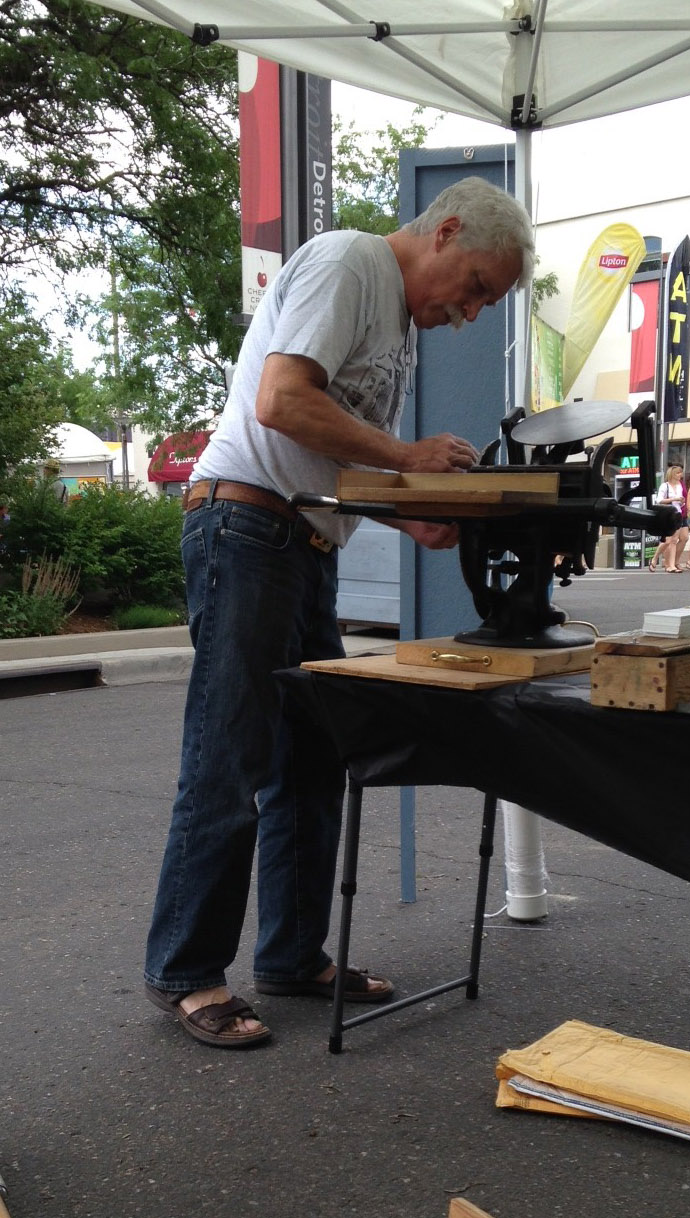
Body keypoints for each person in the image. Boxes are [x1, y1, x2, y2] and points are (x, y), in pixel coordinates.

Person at [142, 177, 534, 1049]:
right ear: (447, 234)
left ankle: (289, 954)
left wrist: (407, 510)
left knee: (312, 763)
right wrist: (408, 458)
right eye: (474, 287)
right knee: (229, 758)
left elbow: (322, 452)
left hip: (298, 541)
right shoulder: (351, 260)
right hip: (246, 528)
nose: (470, 313)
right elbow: (281, 401)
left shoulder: (396, 318)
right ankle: (186, 970)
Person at [647, 461, 688, 572]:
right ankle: (655, 558)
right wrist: (674, 499)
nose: (681, 475)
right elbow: (659, 500)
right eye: (678, 473)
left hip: (677, 513)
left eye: (681, 473)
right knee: (668, 541)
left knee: (674, 540)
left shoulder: (679, 486)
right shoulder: (665, 486)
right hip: (668, 515)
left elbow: (680, 501)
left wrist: (681, 502)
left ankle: (671, 565)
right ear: (673, 474)